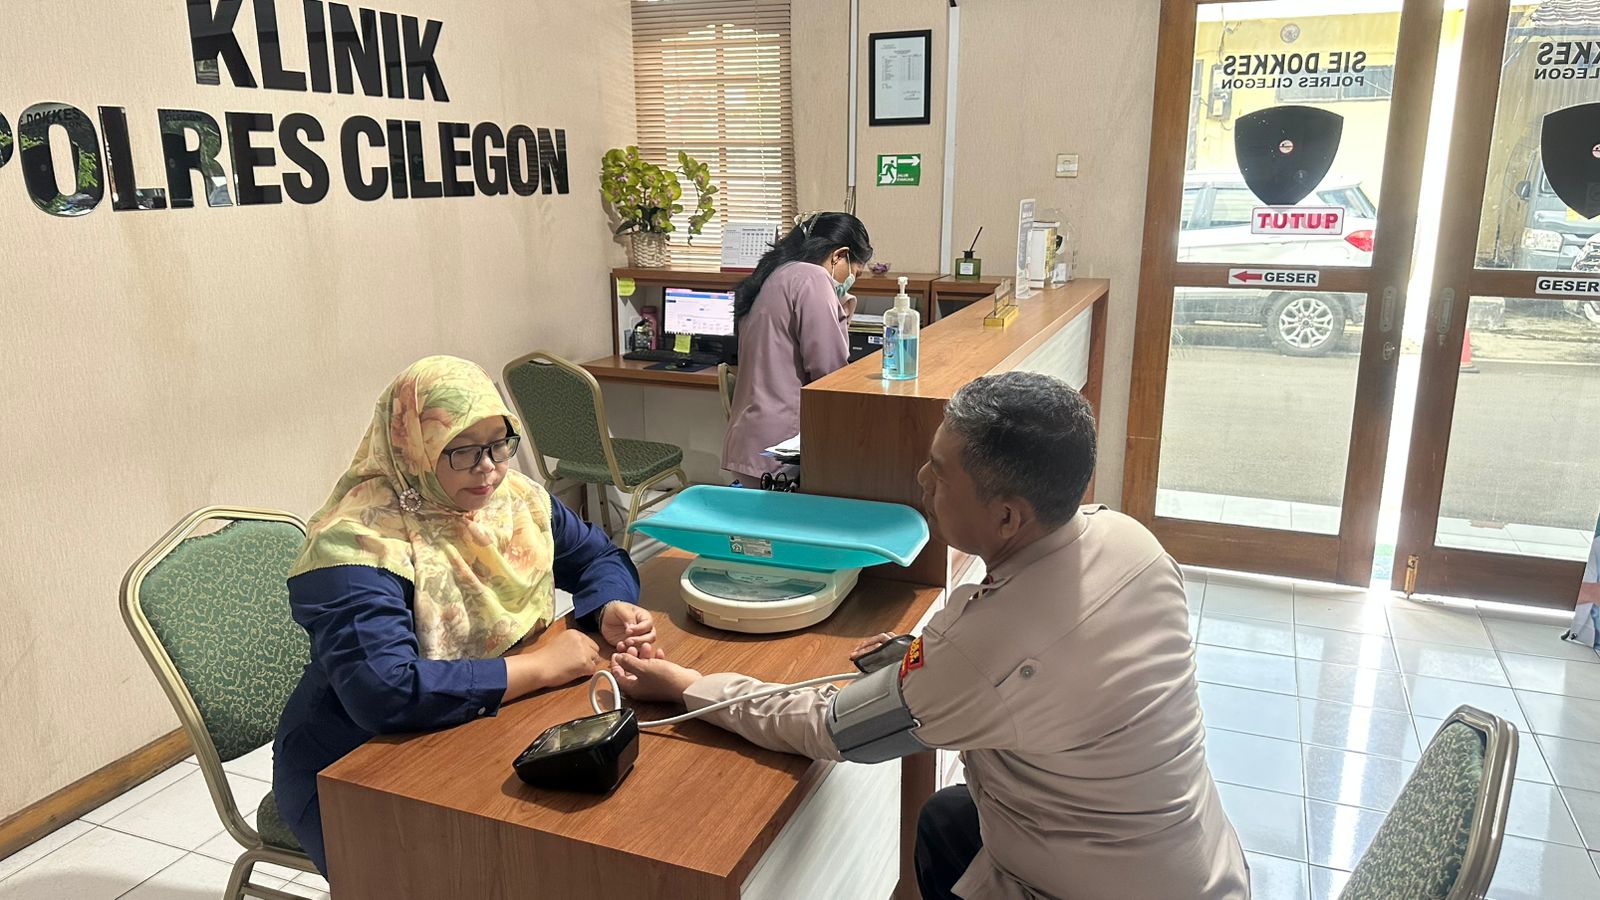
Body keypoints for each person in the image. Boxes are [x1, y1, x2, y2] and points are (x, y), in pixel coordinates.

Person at [612, 372, 1250, 900]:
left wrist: (690, 685)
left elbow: (832, 728)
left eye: (941, 474)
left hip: (1091, 886)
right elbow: (1056, 675)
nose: (921, 480)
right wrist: (927, 661)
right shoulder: (1129, 538)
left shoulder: (988, 651)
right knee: (947, 816)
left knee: (942, 821)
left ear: (1007, 516)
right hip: (1195, 861)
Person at [273, 356, 657, 874]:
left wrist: (608, 605)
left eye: (499, 444)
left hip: (483, 726)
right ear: (414, 446)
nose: (489, 468)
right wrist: (538, 667)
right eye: (462, 450)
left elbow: (599, 557)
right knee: (464, 870)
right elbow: (383, 690)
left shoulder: (512, 501)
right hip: (354, 764)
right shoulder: (358, 544)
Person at [722, 211, 874, 486]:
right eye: (856, 273)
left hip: (750, 442)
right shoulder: (813, 277)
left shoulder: (775, 273)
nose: (852, 281)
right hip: (781, 451)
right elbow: (829, 372)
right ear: (839, 256)